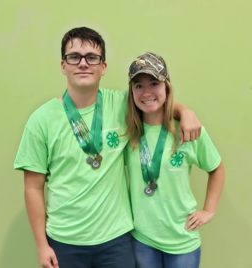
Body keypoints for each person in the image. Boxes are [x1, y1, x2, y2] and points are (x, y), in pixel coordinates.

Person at [14, 27, 201, 268]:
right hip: (64, 240)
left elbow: (154, 99)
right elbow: (33, 187)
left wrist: (186, 112)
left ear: (103, 67)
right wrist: (42, 245)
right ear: (63, 65)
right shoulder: (41, 120)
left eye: (92, 57)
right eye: (74, 57)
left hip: (116, 240)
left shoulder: (121, 104)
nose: (83, 63)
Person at [125, 52, 225, 268]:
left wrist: (209, 210)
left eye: (154, 83)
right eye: (138, 86)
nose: (147, 92)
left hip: (182, 239)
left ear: (166, 87)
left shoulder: (188, 130)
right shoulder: (128, 133)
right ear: (131, 92)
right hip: (142, 239)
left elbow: (216, 168)